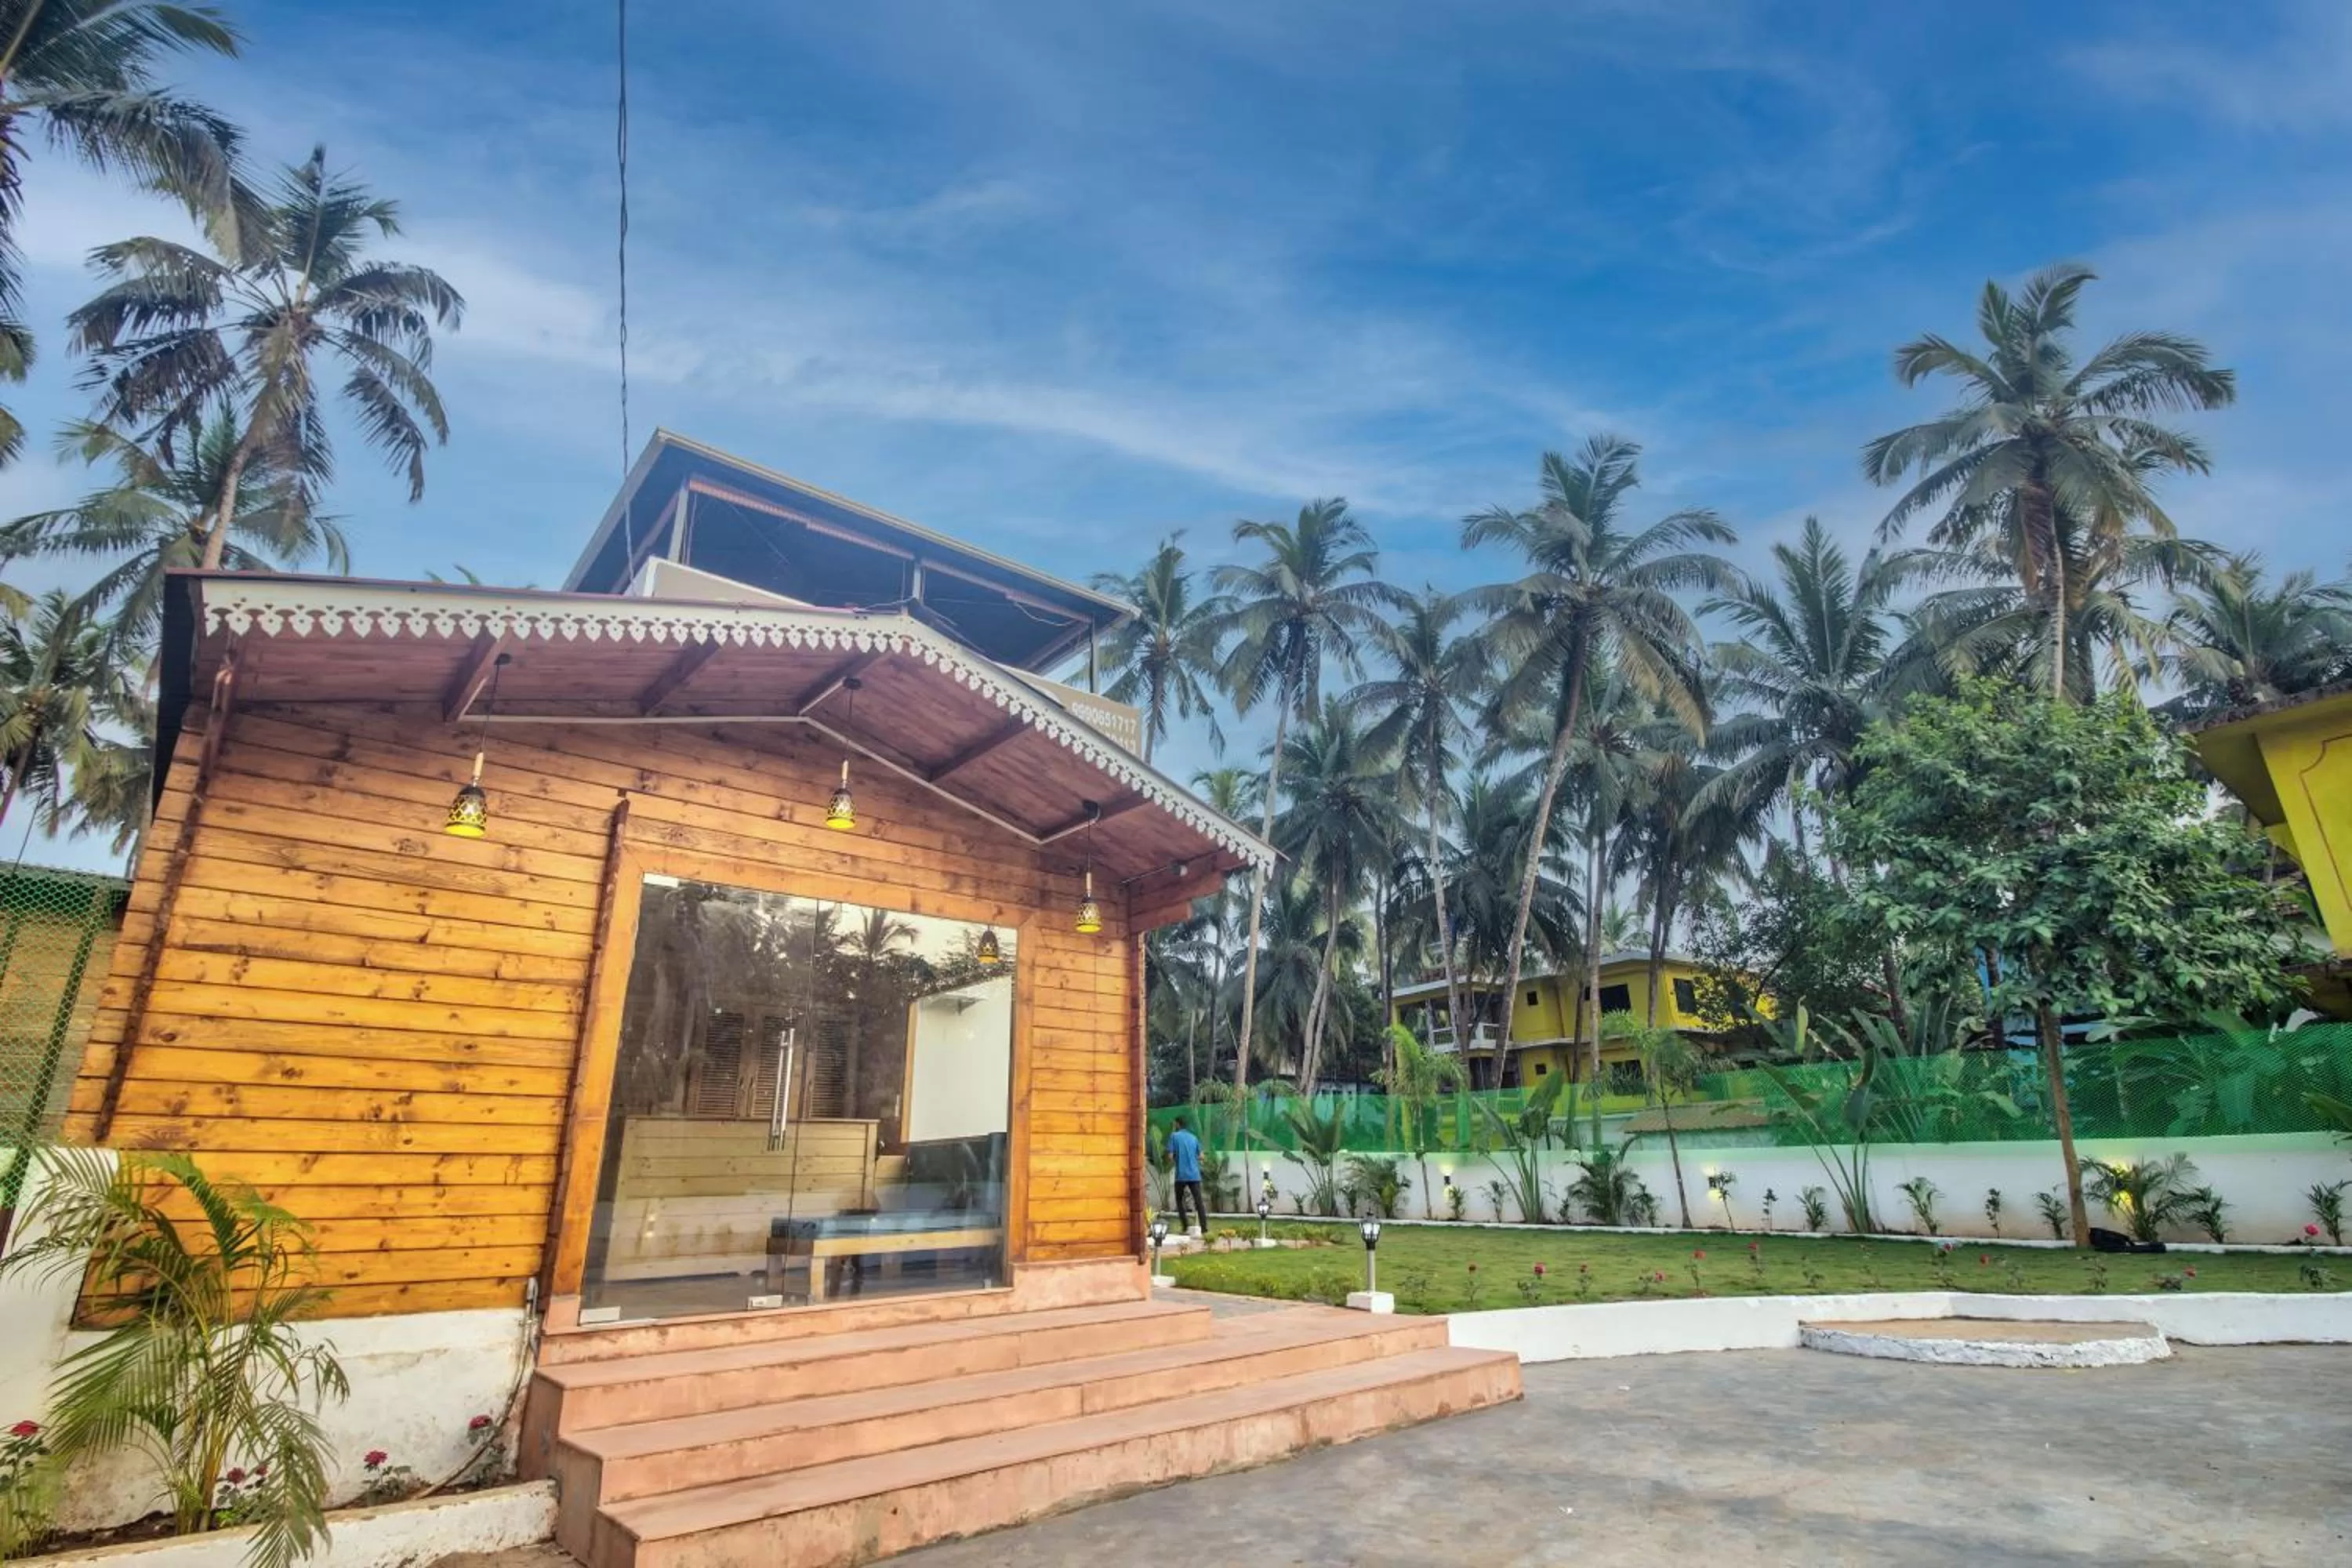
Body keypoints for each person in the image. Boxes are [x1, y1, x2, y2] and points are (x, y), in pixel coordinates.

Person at [1167, 1116, 1207, 1236]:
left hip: (1181, 1175)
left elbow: (1170, 1156)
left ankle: (1185, 1227)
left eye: (1175, 1125)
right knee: (1199, 1202)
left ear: (1178, 1125)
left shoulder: (1174, 1136)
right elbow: (1202, 1157)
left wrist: (1177, 1159)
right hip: (1194, 1174)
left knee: (1179, 1201)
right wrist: (1193, 1158)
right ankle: (1204, 1229)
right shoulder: (1194, 1138)